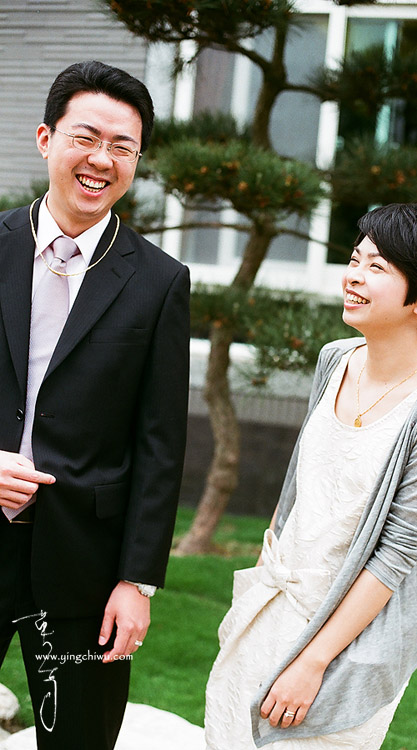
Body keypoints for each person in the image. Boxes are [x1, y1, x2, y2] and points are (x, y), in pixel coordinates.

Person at [204, 202, 417, 750]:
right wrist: (256, 588)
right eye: (356, 259)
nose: (353, 275)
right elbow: (300, 487)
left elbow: (397, 554)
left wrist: (311, 662)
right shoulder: (335, 358)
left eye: (378, 267)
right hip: (272, 604)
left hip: (346, 641)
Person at [0, 61, 190, 749]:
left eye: (123, 147)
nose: (101, 160)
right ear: (47, 138)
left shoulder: (161, 283)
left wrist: (138, 580)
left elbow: (161, 441)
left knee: (77, 738)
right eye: (87, 137)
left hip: (86, 564)